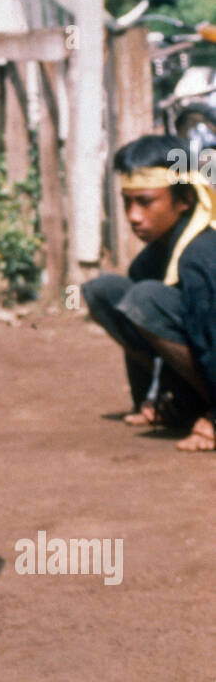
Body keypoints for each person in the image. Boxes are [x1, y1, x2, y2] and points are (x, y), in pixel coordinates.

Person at [82, 134, 216, 453]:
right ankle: (167, 402)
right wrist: (151, 396)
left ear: (184, 200)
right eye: (127, 201)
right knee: (104, 291)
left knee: (145, 298)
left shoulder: (202, 256)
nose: (132, 216)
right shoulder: (150, 259)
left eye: (145, 201)